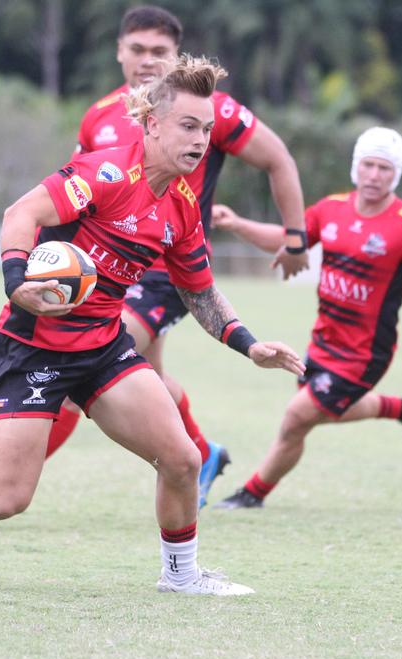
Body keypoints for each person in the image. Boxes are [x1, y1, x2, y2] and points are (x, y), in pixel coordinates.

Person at [0, 55, 304, 596]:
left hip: (103, 349)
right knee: (6, 499)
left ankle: (181, 576)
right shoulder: (105, 172)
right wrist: (17, 281)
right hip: (32, 347)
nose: (201, 140)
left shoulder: (182, 208)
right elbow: (21, 214)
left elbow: (199, 291)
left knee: (183, 458)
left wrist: (249, 346)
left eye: (207, 130)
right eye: (188, 126)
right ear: (152, 124)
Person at [46, 5, 307, 508]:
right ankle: (203, 453)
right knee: (147, 373)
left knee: (83, 368)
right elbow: (76, 194)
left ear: (177, 56)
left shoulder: (216, 112)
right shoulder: (99, 115)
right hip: (106, 270)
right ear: (120, 52)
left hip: (169, 272)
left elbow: (279, 159)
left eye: (160, 52)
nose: (148, 61)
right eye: (138, 50)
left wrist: (294, 240)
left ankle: (2, 481)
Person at [210, 126, 402, 509]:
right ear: (355, 167)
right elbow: (288, 240)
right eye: (368, 165)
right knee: (314, 415)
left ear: (397, 174)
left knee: (297, 417)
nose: (374, 175)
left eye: (385, 169)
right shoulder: (331, 209)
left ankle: (252, 494)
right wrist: (236, 223)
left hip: (364, 352)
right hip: (324, 339)